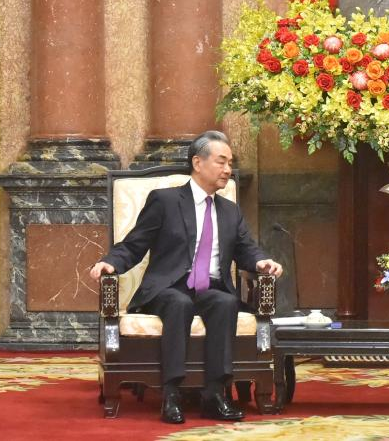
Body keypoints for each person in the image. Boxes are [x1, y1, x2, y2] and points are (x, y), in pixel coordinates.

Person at [89, 131, 283, 424]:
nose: (227, 169)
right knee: (179, 303)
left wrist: (261, 261)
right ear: (197, 162)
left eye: (230, 163)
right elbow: (135, 244)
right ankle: (171, 394)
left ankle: (215, 395)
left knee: (226, 303)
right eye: (221, 162)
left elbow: (246, 249)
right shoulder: (165, 201)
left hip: (210, 288)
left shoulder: (230, 211)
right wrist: (110, 263)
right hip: (168, 288)